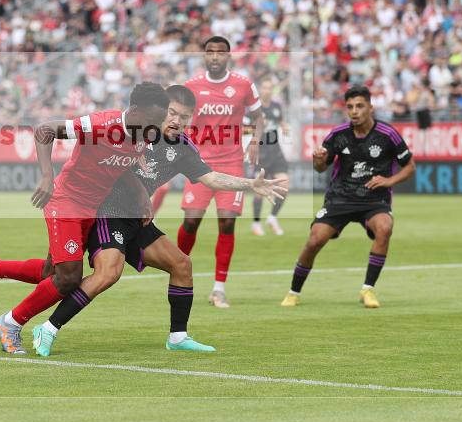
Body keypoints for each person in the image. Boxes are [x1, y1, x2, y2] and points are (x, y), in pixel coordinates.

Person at [28, 85, 288, 356]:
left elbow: (210, 178)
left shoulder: (183, 148)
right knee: (108, 272)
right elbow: (105, 155)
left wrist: (250, 185)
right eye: (173, 113)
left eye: (184, 117)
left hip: (138, 221)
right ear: (162, 111)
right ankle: (48, 328)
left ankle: (178, 336)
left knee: (181, 264)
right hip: (108, 212)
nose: (177, 121)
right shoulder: (137, 132)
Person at [0, 82, 169, 354]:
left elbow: (121, 166)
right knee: (68, 278)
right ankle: (10, 322)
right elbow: (45, 130)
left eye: (158, 122)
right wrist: (47, 175)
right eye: (151, 120)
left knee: (50, 273)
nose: (154, 128)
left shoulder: (144, 134)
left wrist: (141, 196)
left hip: (92, 208)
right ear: (134, 110)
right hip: (66, 202)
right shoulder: (100, 124)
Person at [281, 85, 415, 309]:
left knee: (385, 228)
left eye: (360, 106)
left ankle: (368, 289)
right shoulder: (338, 134)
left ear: (370, 108)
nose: (354, 111)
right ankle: (293, 292)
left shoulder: (387, 134)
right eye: (350, 107)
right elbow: (320, 169)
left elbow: (409, 167)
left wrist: (388, 181)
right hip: (340, 198)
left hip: (374, 200)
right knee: (315, 239)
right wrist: (318, 159)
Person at [177, 36, 263, 308]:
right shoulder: (191, 87)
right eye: (210, 52)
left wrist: (255, 143)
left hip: (231, 163)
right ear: (204, 56)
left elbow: (259, 116)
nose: (215, 56)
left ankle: (219, 289)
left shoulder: (243, 85)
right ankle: (177, 270)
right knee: (191, 221)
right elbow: (178, 119)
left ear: (228, 56)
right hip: (199, 165)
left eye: (220, 52)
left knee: (227, 222)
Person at [248, 76, 290, 236]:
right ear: (260, 90)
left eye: (270, 88)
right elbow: (244, 128)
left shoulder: (276, 106)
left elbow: (280, 121)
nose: (267, 90)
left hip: (276, 152)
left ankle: (272, 218)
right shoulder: (254, 109)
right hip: (261, 153)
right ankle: (256, 223)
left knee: (285, 187)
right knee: (259, 190)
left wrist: (284, 126)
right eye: (265, 87)